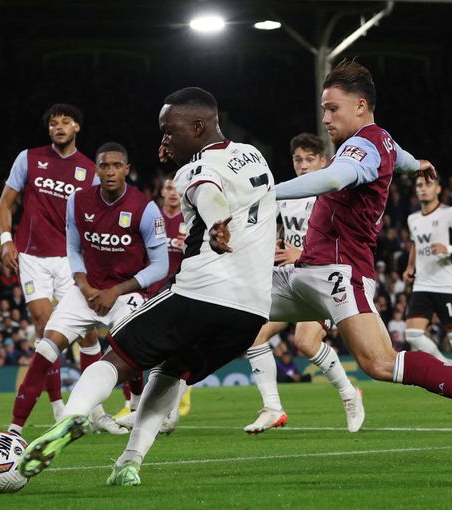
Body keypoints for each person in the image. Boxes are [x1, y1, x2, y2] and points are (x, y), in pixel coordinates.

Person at [260, 59, 452, 458]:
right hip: (311, 270)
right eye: (324, 108)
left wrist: (267, 191)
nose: (325, 116)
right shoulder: (383, 141)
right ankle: (158, 392)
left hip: (340, 271)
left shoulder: (360, 146)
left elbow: (336, 179)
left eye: (332, 107)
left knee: (380, 363)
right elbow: (404, 157)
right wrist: (419, 165)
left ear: (360, 106)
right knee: (234, 311)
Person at [17, 87, 277, 485]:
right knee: (170, 372)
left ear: (198, 125)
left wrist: (218, 224)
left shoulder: (191, 171)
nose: (164, 141)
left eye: (169, 131)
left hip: (202, 293)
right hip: (251, 313)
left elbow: (208, 192)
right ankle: (130, 462)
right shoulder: (253, 154)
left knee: (115, 357)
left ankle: (70, 418)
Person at [7, 142, 169, 437]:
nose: (110, 172)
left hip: (125, 294)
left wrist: (116, 291)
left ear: (127, 170)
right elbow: (74, 247)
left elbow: (160, 265)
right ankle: (14, 429)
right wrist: (82, 283)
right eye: (104, 166)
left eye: (117, 166)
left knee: (131, 352)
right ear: (96, 169)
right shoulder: (77, 201)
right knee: (45, 347)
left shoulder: (145, 208)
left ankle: (136, 410)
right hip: (87, 291)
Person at [244, 133, 364, 434]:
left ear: (324, 161)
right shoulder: (290, 195)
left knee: (305, 342)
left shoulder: (333, 196)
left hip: (324, 276)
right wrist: (273, 246)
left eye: (310, 159)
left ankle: (350, 394)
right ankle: (273, 408)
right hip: (293, 275)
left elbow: (344, 239)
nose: (303, 165)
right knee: (253, 335)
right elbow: (282, 233)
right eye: (298, 159)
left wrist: (304, 253)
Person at [0, 103, 101, 422]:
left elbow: (98, 220)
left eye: (66, 122)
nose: (58, 127)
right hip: (32, 256)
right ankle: (58, 407)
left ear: (77, 128)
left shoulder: (90, 171)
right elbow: (6, 203)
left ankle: (95, 409)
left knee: (89, 334)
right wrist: (5, 241)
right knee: (46, 326)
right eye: (54, 123)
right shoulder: (29, 158)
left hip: (70, 260)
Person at [115, 175, 192, 424]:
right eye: (168, 187)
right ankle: (133, 404)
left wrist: (189, 249)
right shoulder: (152, 218)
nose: (172, 192)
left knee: (169, 352)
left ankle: (174, 398)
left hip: (179, 292)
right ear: (162, 190)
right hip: (149, 292)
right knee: (134, 347)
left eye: (176, 188)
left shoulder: (190, 220)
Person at [403, 175, 452, 388]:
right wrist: (410, 267)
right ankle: (445, 365)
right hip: (422, 285)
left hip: (447, 285)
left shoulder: (450, 213)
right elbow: (415, 245)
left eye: (428, 184)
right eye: (419, 185)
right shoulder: (413, 219)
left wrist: (450, 249)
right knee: (413, 335)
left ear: (438, 188)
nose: (423, 189)